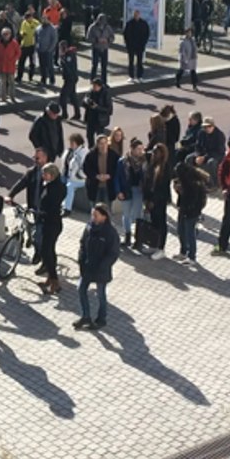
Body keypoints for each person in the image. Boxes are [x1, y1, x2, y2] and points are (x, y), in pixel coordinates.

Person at [75, 203, 120, 331]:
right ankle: (86, 316)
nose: (93, 217)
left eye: (96, 215)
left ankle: (101, 319)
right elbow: (83, 243)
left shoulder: (110, 232)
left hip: (101, 270)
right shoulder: (89, 227)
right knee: (81, 289)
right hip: (87, 266)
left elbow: (113, 253)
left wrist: (103, 266)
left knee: (101, 294)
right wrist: (81, 259)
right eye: (92, 214)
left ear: (104, 216)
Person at [171, 157, 208, 263]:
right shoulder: (185, 182)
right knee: (180, 230)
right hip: (183, 209)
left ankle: (192, 256)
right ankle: (183, 252)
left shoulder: (194, 184)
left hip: (191, 212)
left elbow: (193, 199)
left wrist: (192, 210)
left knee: (190, 234)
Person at [37, 164, 66, 294]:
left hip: (51, 224)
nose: (43, 176)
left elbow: (51, 207)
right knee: (50, 250)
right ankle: (51, 278)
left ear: (52, 175)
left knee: (45, 251)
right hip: (51, 223)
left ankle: (55, 282)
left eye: (45, 174)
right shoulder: (53, 185)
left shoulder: (55, 189)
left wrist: (41, 213)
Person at [118, 139, 147, 248]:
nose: (141, 151)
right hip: (126, 190)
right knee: (126, 214)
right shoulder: (123, 161)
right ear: (132, 149)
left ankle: (138, 240)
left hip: (138, 190)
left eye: (142, 149)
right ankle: (127, 236)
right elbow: (117, 177)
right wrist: (118, 191)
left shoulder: (144, 161)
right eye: (138, 149)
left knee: (138, 214)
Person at [82, 133, 120, 209]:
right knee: (95, 210)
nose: (103, 146)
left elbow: (117, 169)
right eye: (101, 143)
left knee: (107, 210)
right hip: (95, 187)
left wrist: (110, 175)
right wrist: (96, 176)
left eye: (105, 143)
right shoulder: (91, 155)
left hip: (108, 187)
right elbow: (86, 168)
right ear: (97, 144)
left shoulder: (113, 155)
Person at [61, 133, 87, 213]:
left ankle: (67, 209)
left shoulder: (83, 153)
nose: (71, 144)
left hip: (80, 179)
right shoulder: (70, 151)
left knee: (69, 186)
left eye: (72, 142)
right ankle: (59, 204)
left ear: (78, 142)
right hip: (69, 176)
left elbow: (83, 168)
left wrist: (76, 176)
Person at [122, 9, 150, 83]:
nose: (136, 16)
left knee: (139, 62)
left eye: (137, 15)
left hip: (140, 46)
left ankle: (139, 76)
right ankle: (131, 76)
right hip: (131, 46)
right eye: (135, 15)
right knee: (131, 61)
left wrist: (143, 43)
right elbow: (125, 34)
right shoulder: (129, 23)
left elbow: (147, 34)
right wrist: (127, 44)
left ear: (139, 15)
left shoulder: (143, 23)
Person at [83, 78, 113, 146]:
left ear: (100, 86)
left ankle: (100, 149)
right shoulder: (90, 91)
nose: (93, 87)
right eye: (93, 85)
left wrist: (97, 107)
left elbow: (109, 110)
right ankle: (91, 148)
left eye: (95, 86)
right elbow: (85, 100)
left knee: (100, 138)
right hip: (90, 118)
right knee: (89, 135)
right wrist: (86, 102)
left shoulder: (105, 94)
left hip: (100, 120)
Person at [85, 13, 114, 80]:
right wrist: (97, 40)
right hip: (96, 48)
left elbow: (112, 37)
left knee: (104, 66)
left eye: (103, 20)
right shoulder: (92, 27)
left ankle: (104, 81)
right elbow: (88, 38)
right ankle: (93, 80)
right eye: (100, 20)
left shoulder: (108, 27)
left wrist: (108, 40)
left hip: (104, 48)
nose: (102, 22)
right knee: (95, 65)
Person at [176, 28, 199, 92]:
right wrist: (185, 58)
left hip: (192, 58)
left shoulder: (193, 40)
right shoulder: (183, 41)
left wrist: (196, 55)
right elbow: (182, 51)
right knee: (182, 70)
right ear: (185, 33)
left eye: (190, 33)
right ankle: (177, 81)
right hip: (185, 59)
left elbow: (195, 48)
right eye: (188, 33)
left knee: (193, 72)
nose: (189, 34)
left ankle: (194, 86)